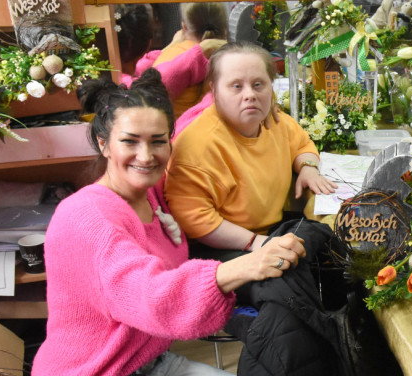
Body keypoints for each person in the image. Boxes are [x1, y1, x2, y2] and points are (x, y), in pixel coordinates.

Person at [30, 69, 307, 376]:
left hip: (154, 367)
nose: (146, 154)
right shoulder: (86, 219)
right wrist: (242, 265)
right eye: (130, 141)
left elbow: (205, 113)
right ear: (103, 143)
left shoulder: (150, 190)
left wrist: (233, 74)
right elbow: (149, 294)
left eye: (159, 141)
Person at [165, 41, 337, 259]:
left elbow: (301, 144)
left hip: (272, 231)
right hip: (223, 245)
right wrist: (255, 242)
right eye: (236, 86)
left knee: (327, 238)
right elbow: (194, 219)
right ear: (214, 91)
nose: (250, 95)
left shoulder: (274, 121)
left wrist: (308, 167)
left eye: (258, 85)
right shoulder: (196, 146)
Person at [115, 4, 226, 101]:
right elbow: (149, 92)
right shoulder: (117, 82)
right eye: (133, 62)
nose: (134, 69)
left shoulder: (113, 60)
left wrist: (169, 48)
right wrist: (199, 52)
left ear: (184, 27)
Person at [151, 2, 228, 118]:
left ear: (184, 27)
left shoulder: (168, 56)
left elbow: (150, 89)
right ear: (225, 29)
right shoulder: (231, 60)